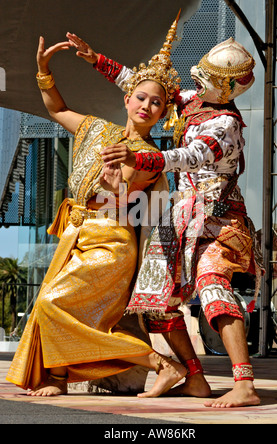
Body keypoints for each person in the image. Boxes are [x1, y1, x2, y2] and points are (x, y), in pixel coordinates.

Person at [76, 34, 264, 408]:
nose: (195, 83)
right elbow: (148, 87)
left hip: (216, 217)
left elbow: (192, 156)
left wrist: (140, 159)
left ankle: (245, 383)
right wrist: (98, 59)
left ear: (225, 87)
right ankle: (195, 378)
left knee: (213, 289)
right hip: (179, 215)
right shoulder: (197, 102)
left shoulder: (226, 123)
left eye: (206, 78)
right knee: (154, 303)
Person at [6, 17, 188, 398]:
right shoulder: (96, 129)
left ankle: (160, 363)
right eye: (141, 97)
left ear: (163, 113)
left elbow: (123, 200)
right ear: (127, 99)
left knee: (53, 303)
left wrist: (116, 185)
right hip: (77, 233)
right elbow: (57, 110)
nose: (147, 105)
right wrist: (43, 73)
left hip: (111, 243)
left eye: (157, 102)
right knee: (49, 307)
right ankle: (57, 379)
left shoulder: (150, 156)